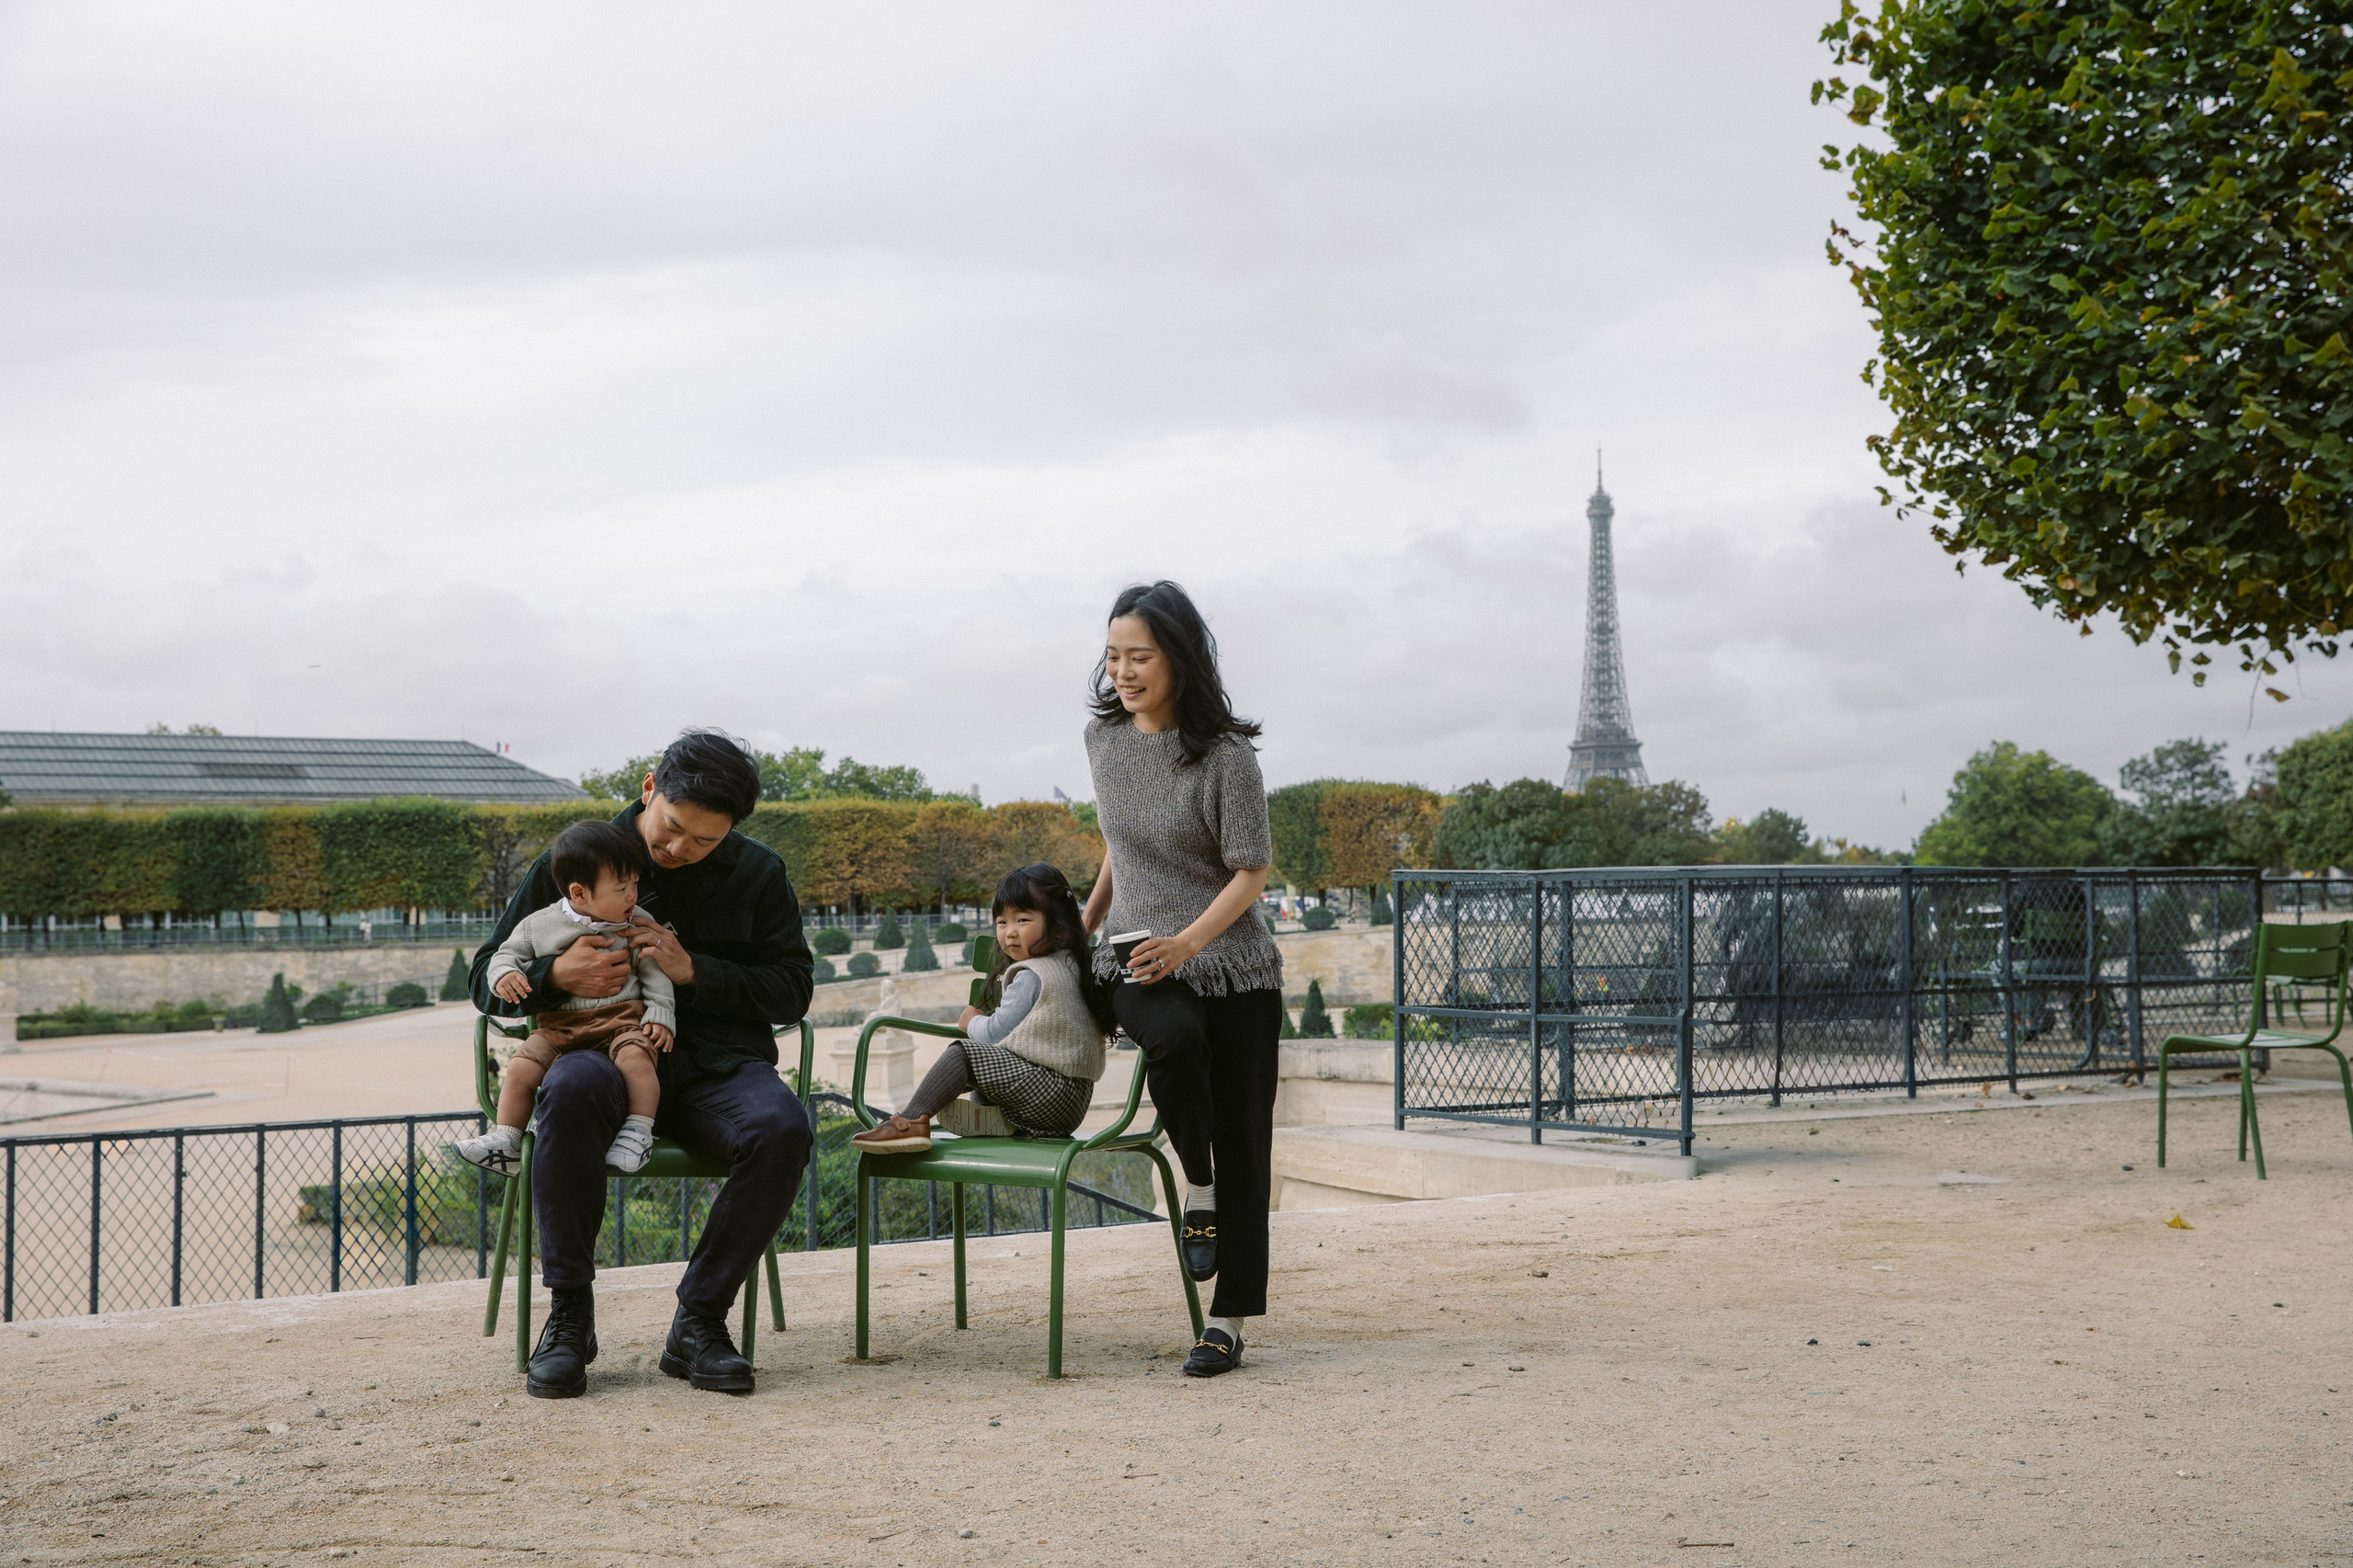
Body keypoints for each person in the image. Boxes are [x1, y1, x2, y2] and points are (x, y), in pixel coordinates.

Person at [468, 729, 815, 1400]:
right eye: (673, 830)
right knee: (567, 1092)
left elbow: (793, 989)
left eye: (705, 842)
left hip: (717, 1065)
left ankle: (700, 1320)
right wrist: (549, 974)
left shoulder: (759, 872)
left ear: (732, 832)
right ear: (650, 789)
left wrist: (696, 972)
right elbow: (484, 974)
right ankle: (570, 1315)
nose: (680, 851)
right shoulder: (579, 855)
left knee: (784, 1128)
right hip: (596, 1054)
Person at [1081, 580, 1282, 1379]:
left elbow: (1251, 871)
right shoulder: (1102, 743)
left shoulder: (1227, 758)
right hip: (1136, 954)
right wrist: (1083, 930)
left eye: (1139, 656)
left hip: (1231, 963)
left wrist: (1190, 944)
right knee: (1171, 1038)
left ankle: (1227, 1320)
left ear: (1180, 659)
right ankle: (1194, 1184)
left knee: (1246, 1141)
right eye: (1113, 656)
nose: (1122, 672)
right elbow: (1116, 846)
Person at [454, 820, 676, 1177]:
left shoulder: (636, 923)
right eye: (622, 888)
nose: (633, 896)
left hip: (621, 1021)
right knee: (521, 1067)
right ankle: (508, 1139)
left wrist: (661, 1013)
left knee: (637, 1059)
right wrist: (507, 975)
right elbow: (504, 955)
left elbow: (655, 972)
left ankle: (638, 1132)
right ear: (579, 893)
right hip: (559, 1027)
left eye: (635, 883)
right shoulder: (538, 925)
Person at [850, 863, 1118, 1153]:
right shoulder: (1072, 965)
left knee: (963, 1054)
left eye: (1023, 920)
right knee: (985, 1071)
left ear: (1058, 925)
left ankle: (912, 1121)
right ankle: (994, 1119)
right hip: (1071, 1105)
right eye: (1002, 922)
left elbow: (992, 1034)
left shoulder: (1033, 975)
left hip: (1048, 1093)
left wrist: (971, 1021)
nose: (1010, 933)